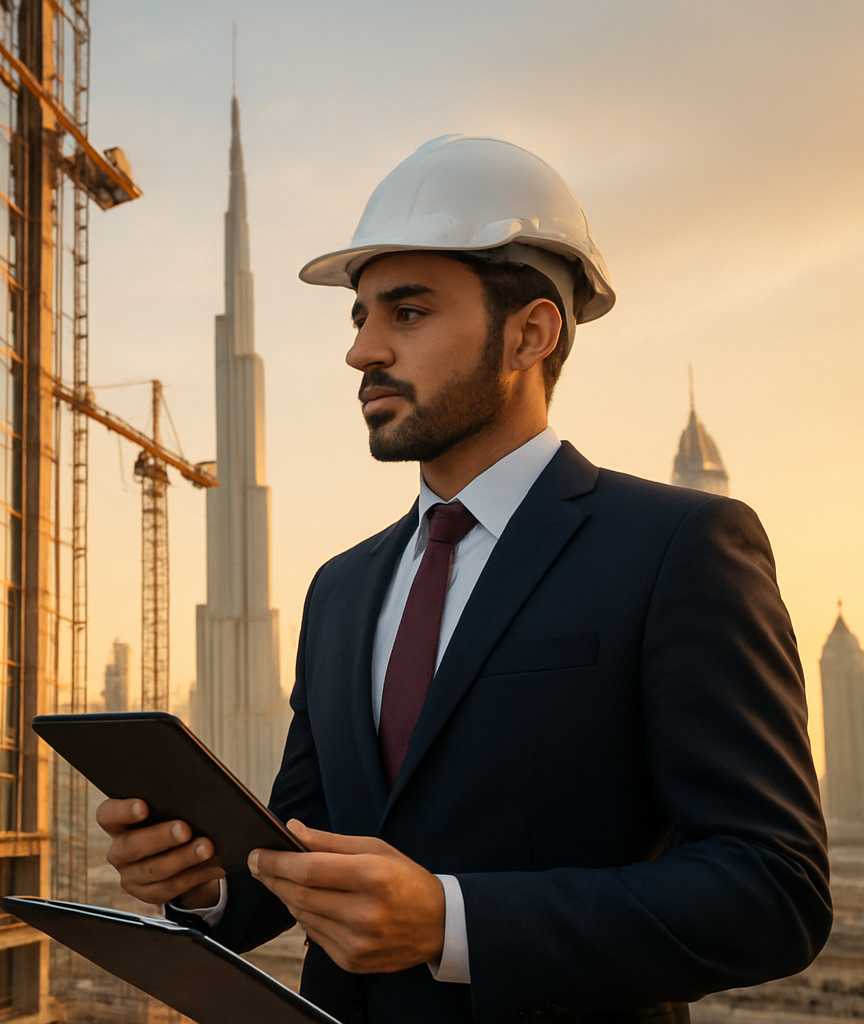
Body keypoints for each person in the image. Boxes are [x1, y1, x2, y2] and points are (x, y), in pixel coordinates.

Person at [96, 135, 830, 1023]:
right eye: (359, 317)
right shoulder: (340, 589)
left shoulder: (679, 547)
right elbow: (299, 850)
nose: (362, 351)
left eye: (406, 313)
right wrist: (206, 883)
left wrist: (453, 921)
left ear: (530, 332)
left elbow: (772, 893)